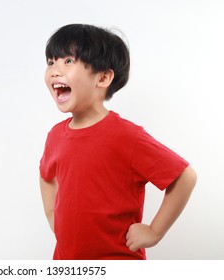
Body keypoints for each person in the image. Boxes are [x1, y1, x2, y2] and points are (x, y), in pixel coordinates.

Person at [39, 24, 197, 260]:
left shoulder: (127, 136)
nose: (54, 70)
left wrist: (154, 232)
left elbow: (184, 177)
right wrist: (53, 217)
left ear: (103, 77)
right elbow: (46, 176)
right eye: (51, 62)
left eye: (68, 61)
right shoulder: (55, 136)